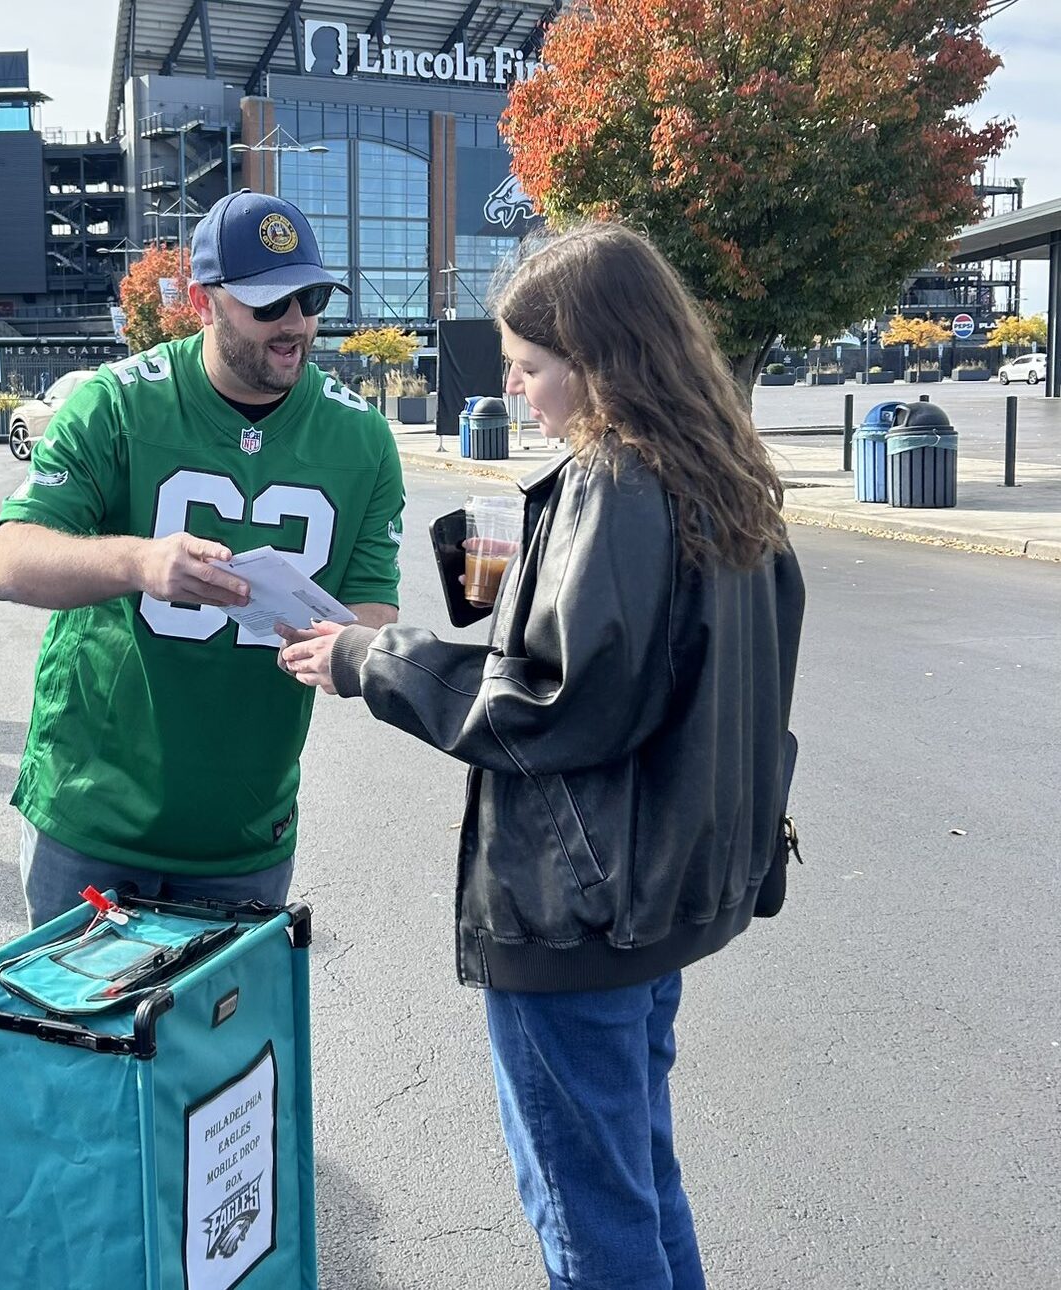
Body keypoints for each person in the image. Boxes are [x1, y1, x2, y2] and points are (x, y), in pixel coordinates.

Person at [278, 221, 806, 1288]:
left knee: (588, 1216)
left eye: (528, 368)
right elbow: (668, 667)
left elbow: (557, 704)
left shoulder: (616, 479)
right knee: (638, 1186)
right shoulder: (720, 470)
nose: (516, 392)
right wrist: (518, 595)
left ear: (598, 358)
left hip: (579, 899)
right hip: (660, 888)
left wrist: (368, 657)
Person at [0, 189, 406, 927]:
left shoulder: (362, 437)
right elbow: (10, 562)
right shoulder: (116, 403)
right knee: (81, 1041)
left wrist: (339, 651)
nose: (296, 325)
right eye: (269, 304)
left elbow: (373, 605)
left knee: (221, 1047)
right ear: (205, 301)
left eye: (310, 299)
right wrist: (141, 564)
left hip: (244, 831)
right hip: (95, 813)